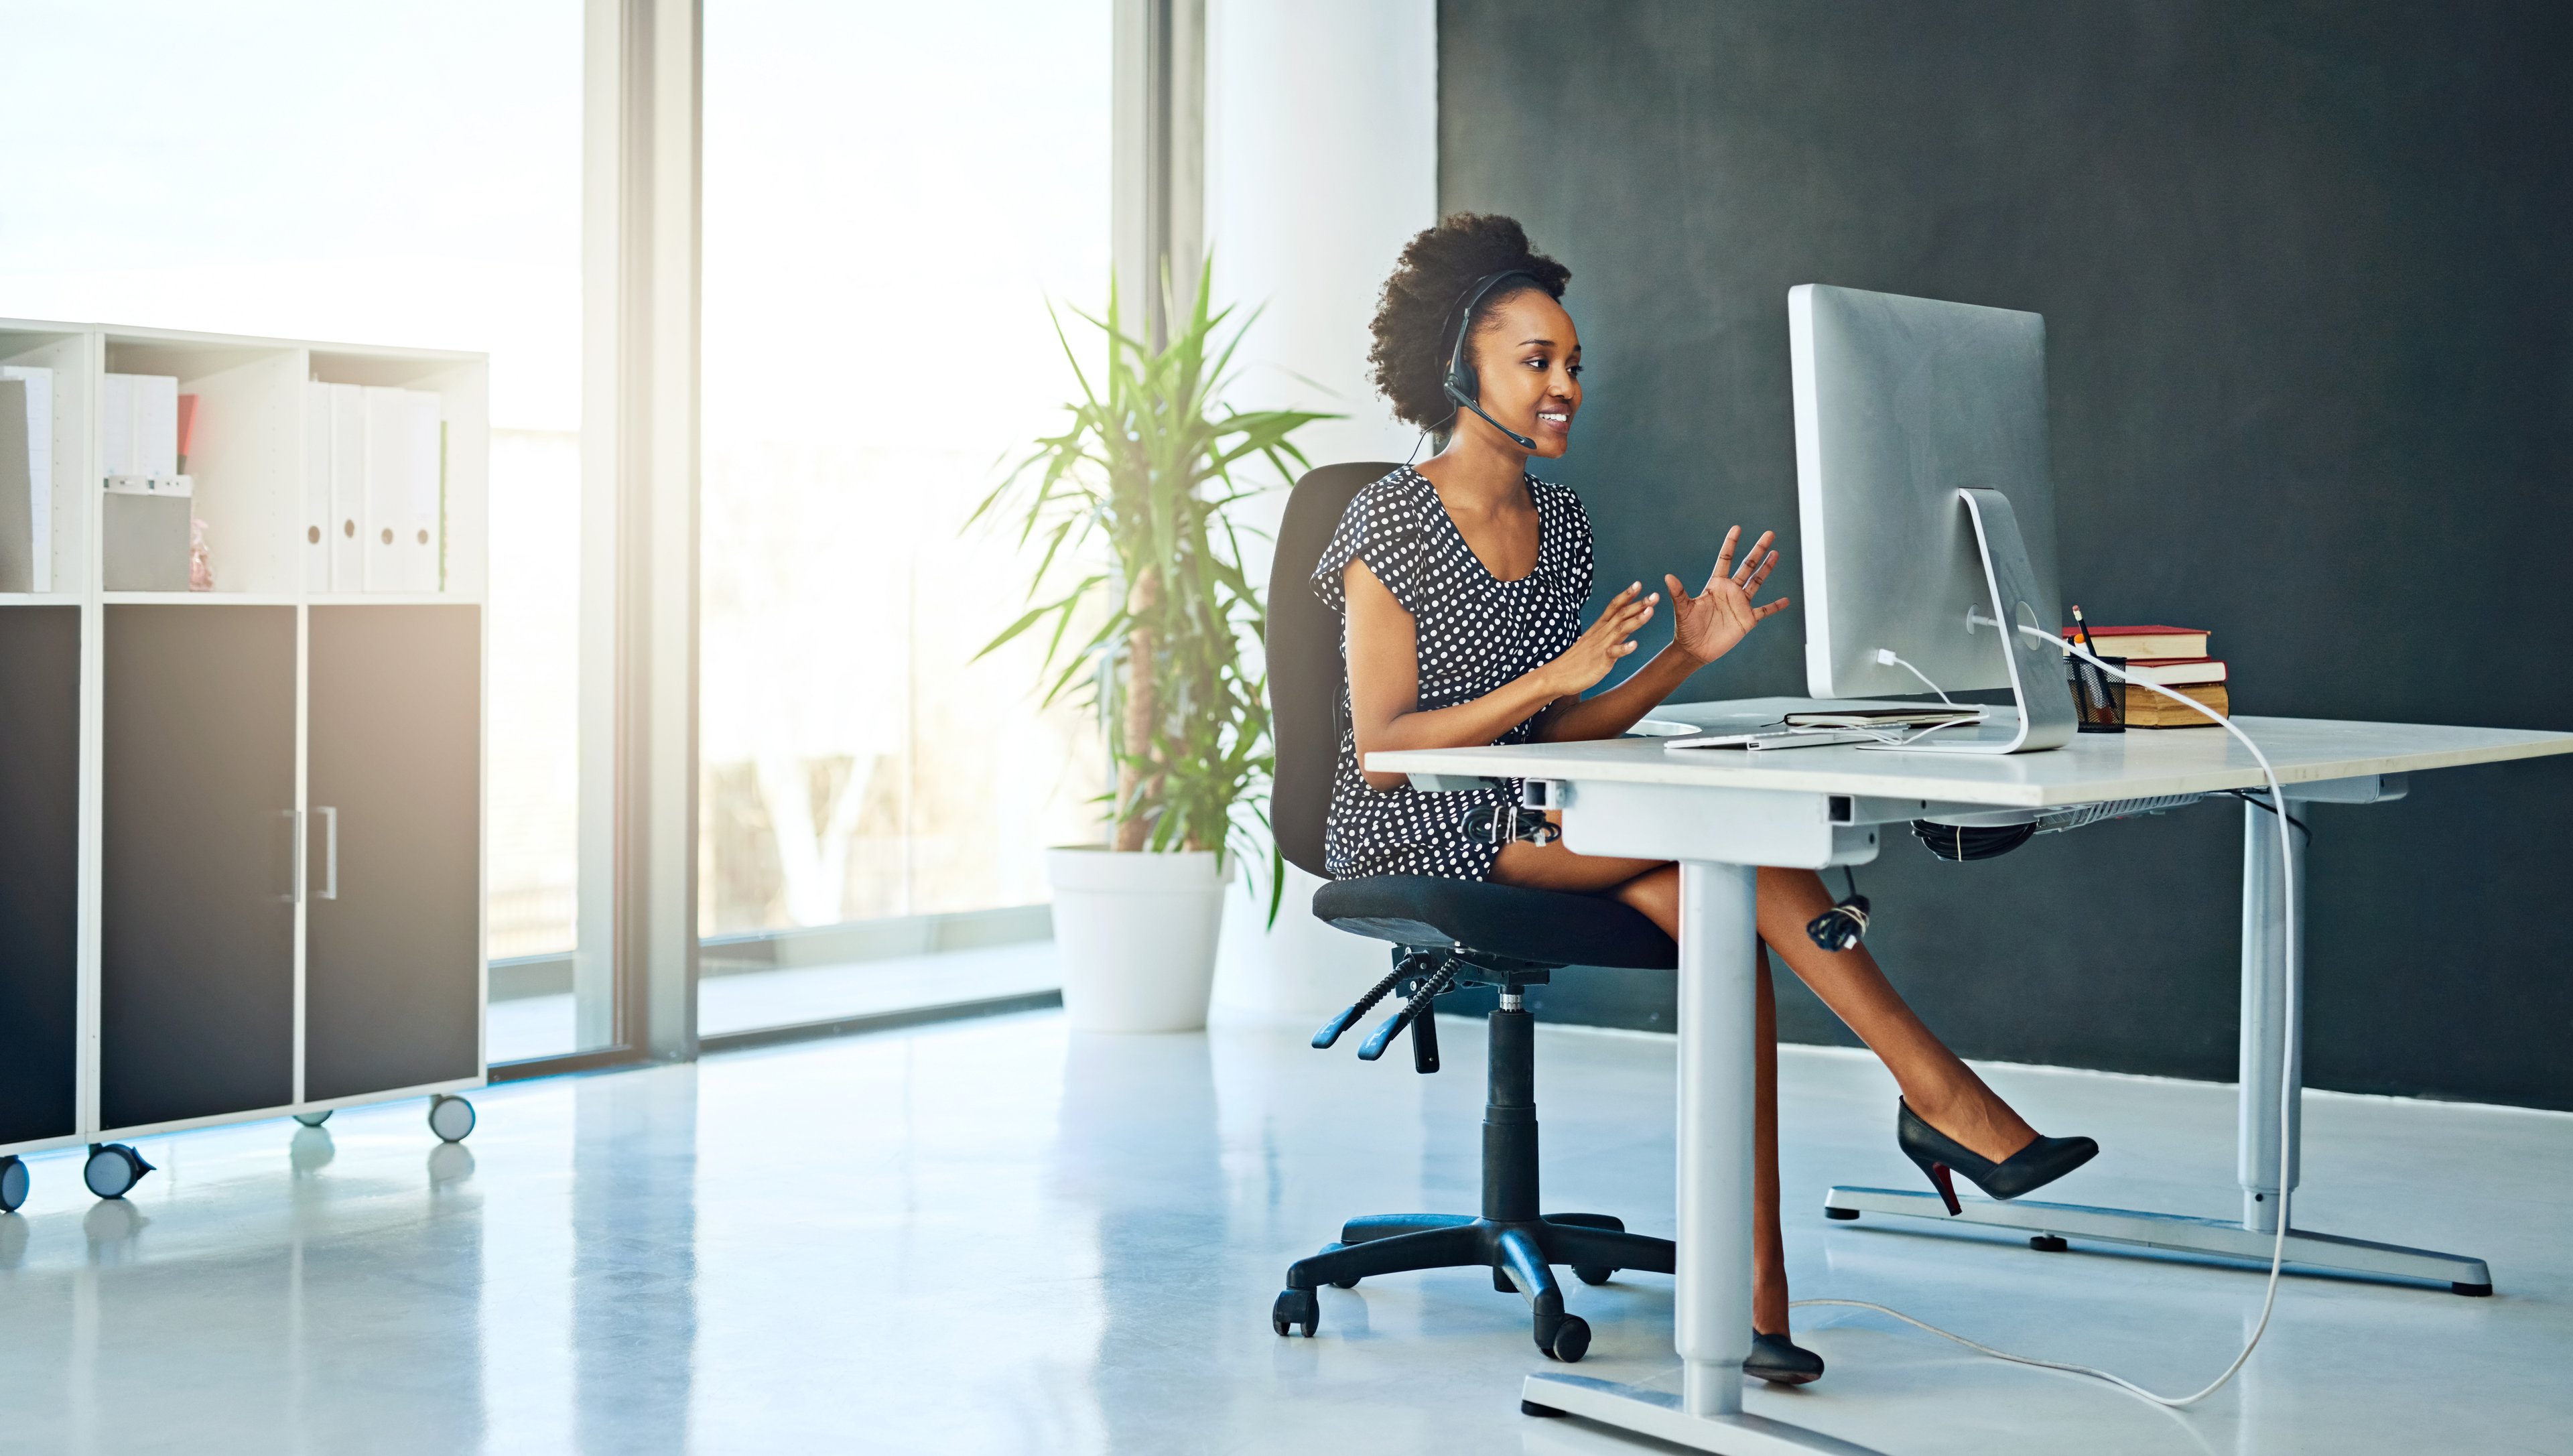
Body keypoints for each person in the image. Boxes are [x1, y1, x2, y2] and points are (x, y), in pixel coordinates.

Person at [1315, 214, 2097, 1385]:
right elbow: (1384, 747)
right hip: (1420, 819)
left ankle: (1758, 1302)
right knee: (1733, 869)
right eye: (1539, 362)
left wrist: (1681, 657)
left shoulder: (1559, 521)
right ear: (1459, 370)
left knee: (1718, 904)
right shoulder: (1390, 518)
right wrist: (1554, 676)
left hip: (1543, 806)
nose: (1566, 384)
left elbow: (1563, 729)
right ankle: (1937, 1098)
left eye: (1575, 363)